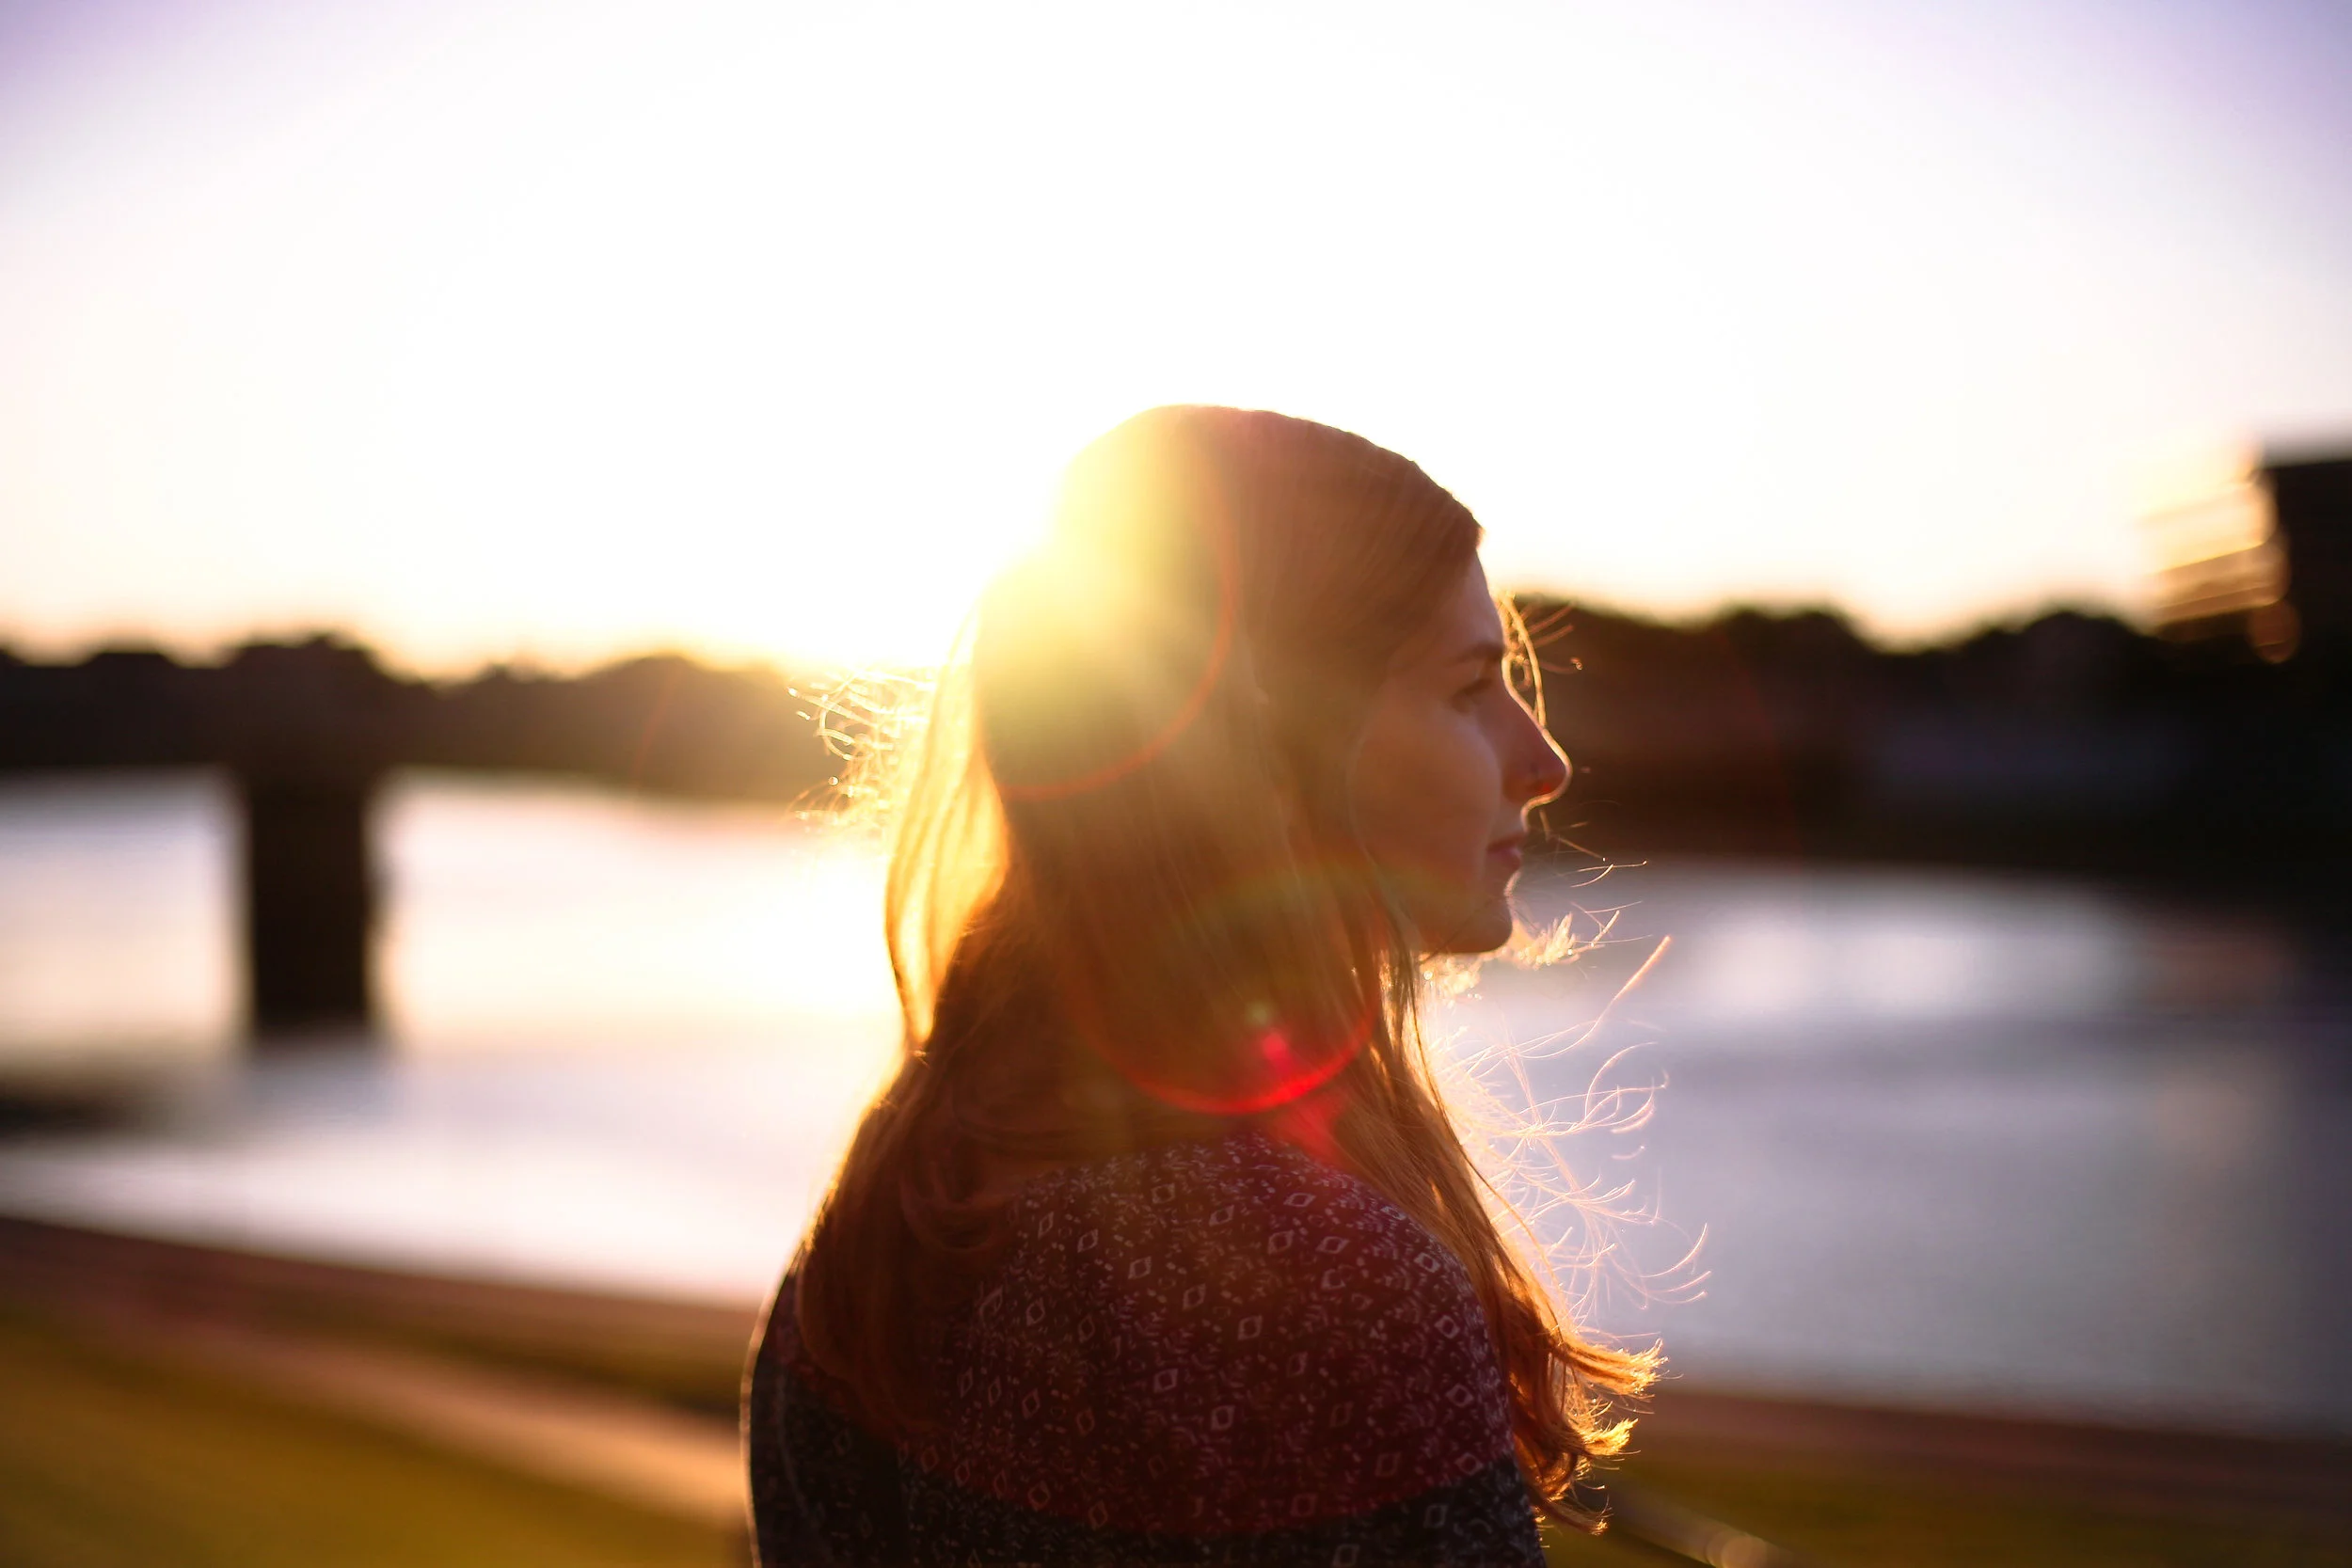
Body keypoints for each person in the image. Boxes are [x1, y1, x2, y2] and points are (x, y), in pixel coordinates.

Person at [746, 406, 1652, 1565]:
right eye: (1469, 688)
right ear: (1266, 750)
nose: (1545, 761)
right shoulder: (1320, 1287)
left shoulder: (895, 1203)